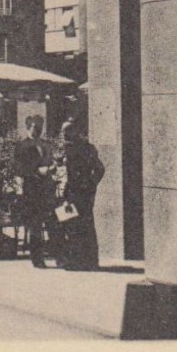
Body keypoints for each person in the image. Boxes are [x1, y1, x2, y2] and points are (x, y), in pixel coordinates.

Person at [54, 120, 107, 271]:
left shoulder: (86, 148)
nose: (64, 133)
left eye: (68, 130)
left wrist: (90, 185)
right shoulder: (60, 148)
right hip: (65, 193)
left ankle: (89, 261)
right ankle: (71, 260)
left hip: (82, 194)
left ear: (76, 131)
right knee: (68, 225)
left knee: (84, 225)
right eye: (63, 130)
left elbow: (99, 168)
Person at [11, 115, 56, 267]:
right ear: (28, 127)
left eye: (40, 128)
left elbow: (51, 161)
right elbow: (19, 169)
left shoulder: (47, 145)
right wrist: (37, 171)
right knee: (35, 226)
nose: (38, 131)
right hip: (32, 191)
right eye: (35, 128)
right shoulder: (21, 146)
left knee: (52, 223)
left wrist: (52, 168)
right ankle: (37, 260)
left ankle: (58, 256)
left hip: (48, 189)